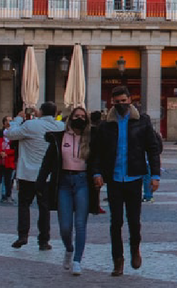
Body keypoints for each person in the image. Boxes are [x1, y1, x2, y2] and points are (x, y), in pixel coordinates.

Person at [89, 85, 161, 276]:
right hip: (114, 177)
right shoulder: (106, 125)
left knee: (134, 219)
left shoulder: (142, 121)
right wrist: (96, 173)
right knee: (116, 221)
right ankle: (117, 260)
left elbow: (152, 149)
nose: (120, 104)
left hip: (134, 176)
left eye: (123, 101)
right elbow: (96, 153)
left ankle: (135, 247)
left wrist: (155, 175)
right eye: (117, 102)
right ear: (112, 103)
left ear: (130, 100)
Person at [8, 102, 62, 251]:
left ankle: (22, 235)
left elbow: (10, 134)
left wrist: (18, 119)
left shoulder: (31, 125)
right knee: (44, 207)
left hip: (28, 173)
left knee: (24, 204)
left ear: (41, 112)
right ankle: (44, 240)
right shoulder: (60, 126)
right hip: (48, 175)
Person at [50, 108, 92, 274]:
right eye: (77, 116)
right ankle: (69, 248)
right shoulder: (60, 137)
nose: (79, 119)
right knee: (65, 226)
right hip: (64, 182)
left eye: (82, 117)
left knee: (80, 224)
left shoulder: (91, 138)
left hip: (83, 182)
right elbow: (50, 160)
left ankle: (77, 260)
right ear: (70, 118)